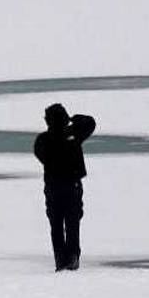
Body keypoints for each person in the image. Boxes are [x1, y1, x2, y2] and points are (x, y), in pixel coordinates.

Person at [33, 103, 96, 271]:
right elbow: (90, 123)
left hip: (54, 187)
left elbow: (39, 154)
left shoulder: (43, 140)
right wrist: (74, 119)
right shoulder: (73, 133)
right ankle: (72, 257)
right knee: (72, 222)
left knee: (57, 224)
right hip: (70, 185)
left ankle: (61, 260)